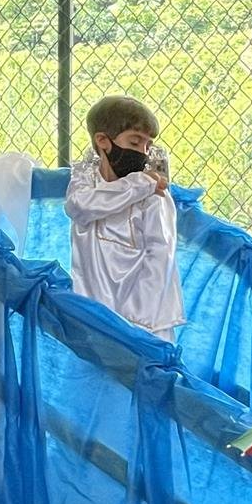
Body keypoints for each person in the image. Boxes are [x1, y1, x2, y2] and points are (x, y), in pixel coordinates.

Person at [64, 95, 185, 341]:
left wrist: (134, 325)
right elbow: (79, 207)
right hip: (95, 318)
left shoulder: (154, 196)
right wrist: (138, 184)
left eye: (148, 146)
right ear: (102, 141)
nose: (142, 153)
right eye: (135, 142)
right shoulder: (86, 181)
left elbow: (160, 258)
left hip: (145, 325)